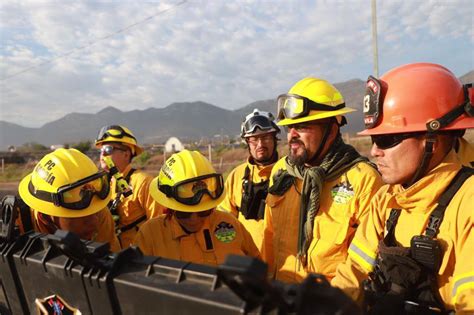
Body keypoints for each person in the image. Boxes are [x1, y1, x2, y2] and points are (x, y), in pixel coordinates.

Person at [331, 63, 474, 313]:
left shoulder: (468, 203)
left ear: (434, 139)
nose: (375, 151)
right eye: (374, 139)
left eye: (387, 139)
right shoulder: (386, 199)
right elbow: (353, 272)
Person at [262, 77, 383, 283]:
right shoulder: (282, 172)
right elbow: (269, 241)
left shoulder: (364, 181)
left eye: (302, 126)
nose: (291, 135)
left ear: (331, 129)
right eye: (288, 127)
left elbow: (364, 267)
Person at [134, 150, 261, 266]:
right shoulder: (151, 235)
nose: (194, 219)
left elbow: (257, 265)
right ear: (170, 208)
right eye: (184, 213)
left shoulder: (229, 224)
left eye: (203, 212)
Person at [17, 148, 121, 252]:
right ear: (45, 218)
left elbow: (113, 261)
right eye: (82, 217)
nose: (95, 221)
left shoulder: (100, 213)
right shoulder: (18, 225)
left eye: (95, 212)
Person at [217, 109, 280, 251]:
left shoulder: (290, 174)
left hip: (283, 265)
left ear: (275, 138)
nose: (260, 145)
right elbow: (223, 221)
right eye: (254, 139)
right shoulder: (236, 176)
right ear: (247, 142)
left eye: (265, 138)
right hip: (246, 263)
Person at [95, 125, 165, 248]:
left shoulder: (143, 182)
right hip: (109, 255)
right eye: (101, 150)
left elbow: (160, 226)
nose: (102, 154)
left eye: (107, 149)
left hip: (137, 257)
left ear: (126, 154)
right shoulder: (102, 183)